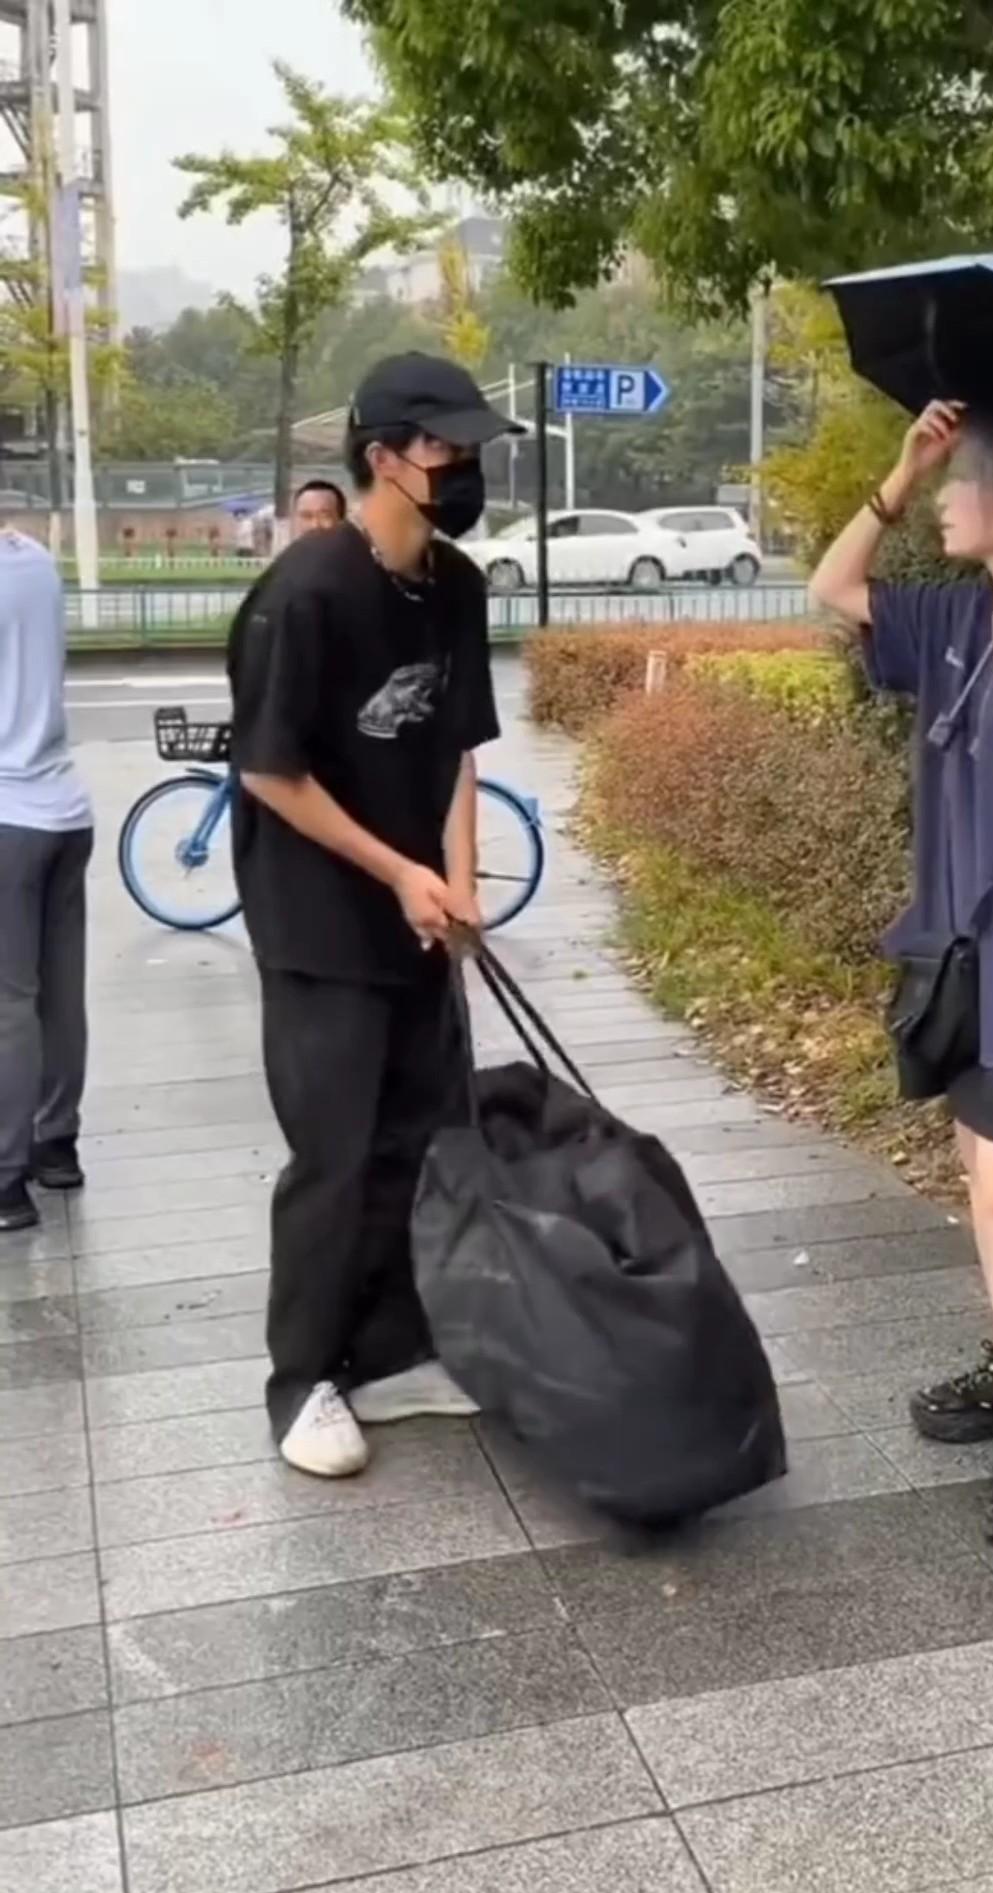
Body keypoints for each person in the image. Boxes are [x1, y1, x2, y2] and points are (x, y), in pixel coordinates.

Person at [227, 351, 522, 1477]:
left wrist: (460, 883)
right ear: (383, 457)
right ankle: (302, 1380)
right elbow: (270, 771)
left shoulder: (457, 587)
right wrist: (396, 872)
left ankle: (391, 1356)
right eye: (446, 445)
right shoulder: (304, 593)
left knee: (420, 1140)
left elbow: (457, 751)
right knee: (335, 1156)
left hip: (418, 921)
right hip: (319, 924)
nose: (465, 464)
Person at [811, 398, 993, 1546]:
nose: (949, 501)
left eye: (967, 480)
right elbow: (834, 588)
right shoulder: (956, 614)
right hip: (957, 956)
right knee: (982, 1170)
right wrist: (903, 471)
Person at [0, 531, 93, 1233]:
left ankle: (5, 1179)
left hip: (6, 817)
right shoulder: (36, 561)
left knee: (9, 1003)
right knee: (60, 994)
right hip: (65, 810)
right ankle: (55, 1144)